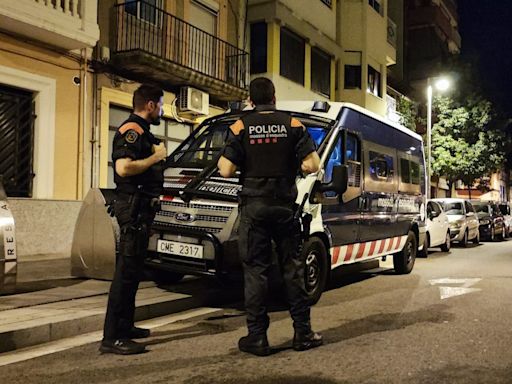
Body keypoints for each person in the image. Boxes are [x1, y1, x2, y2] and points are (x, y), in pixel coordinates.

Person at [217, 77, 322, 356]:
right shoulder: (293, 125)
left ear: (251, 100)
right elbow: (313, 164)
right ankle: (303, 333)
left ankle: (258, 338)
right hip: (284, 208)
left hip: (254, 208)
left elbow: (225, 170)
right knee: (293, 269)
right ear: (274, 97)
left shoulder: (240, 126)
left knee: (255, 272)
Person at [100, 84, 167, 355]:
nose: (162, 110)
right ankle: (112, 338)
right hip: (133, 207)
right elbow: (124, 168)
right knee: (125, 274)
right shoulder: (132, 130)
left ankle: (126, 327)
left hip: (141, 209)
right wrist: (156, 157)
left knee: (134, 272)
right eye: (160, 104)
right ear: (150, 105)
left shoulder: (143, 131)